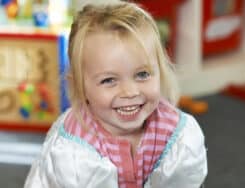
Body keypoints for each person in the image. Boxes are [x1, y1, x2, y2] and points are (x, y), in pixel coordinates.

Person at [24, 2, 207, 188]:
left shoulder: (174, 133)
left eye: (142, 74)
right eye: (109, 80)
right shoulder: (74, 148)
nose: (130, 92)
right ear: (80, 87)